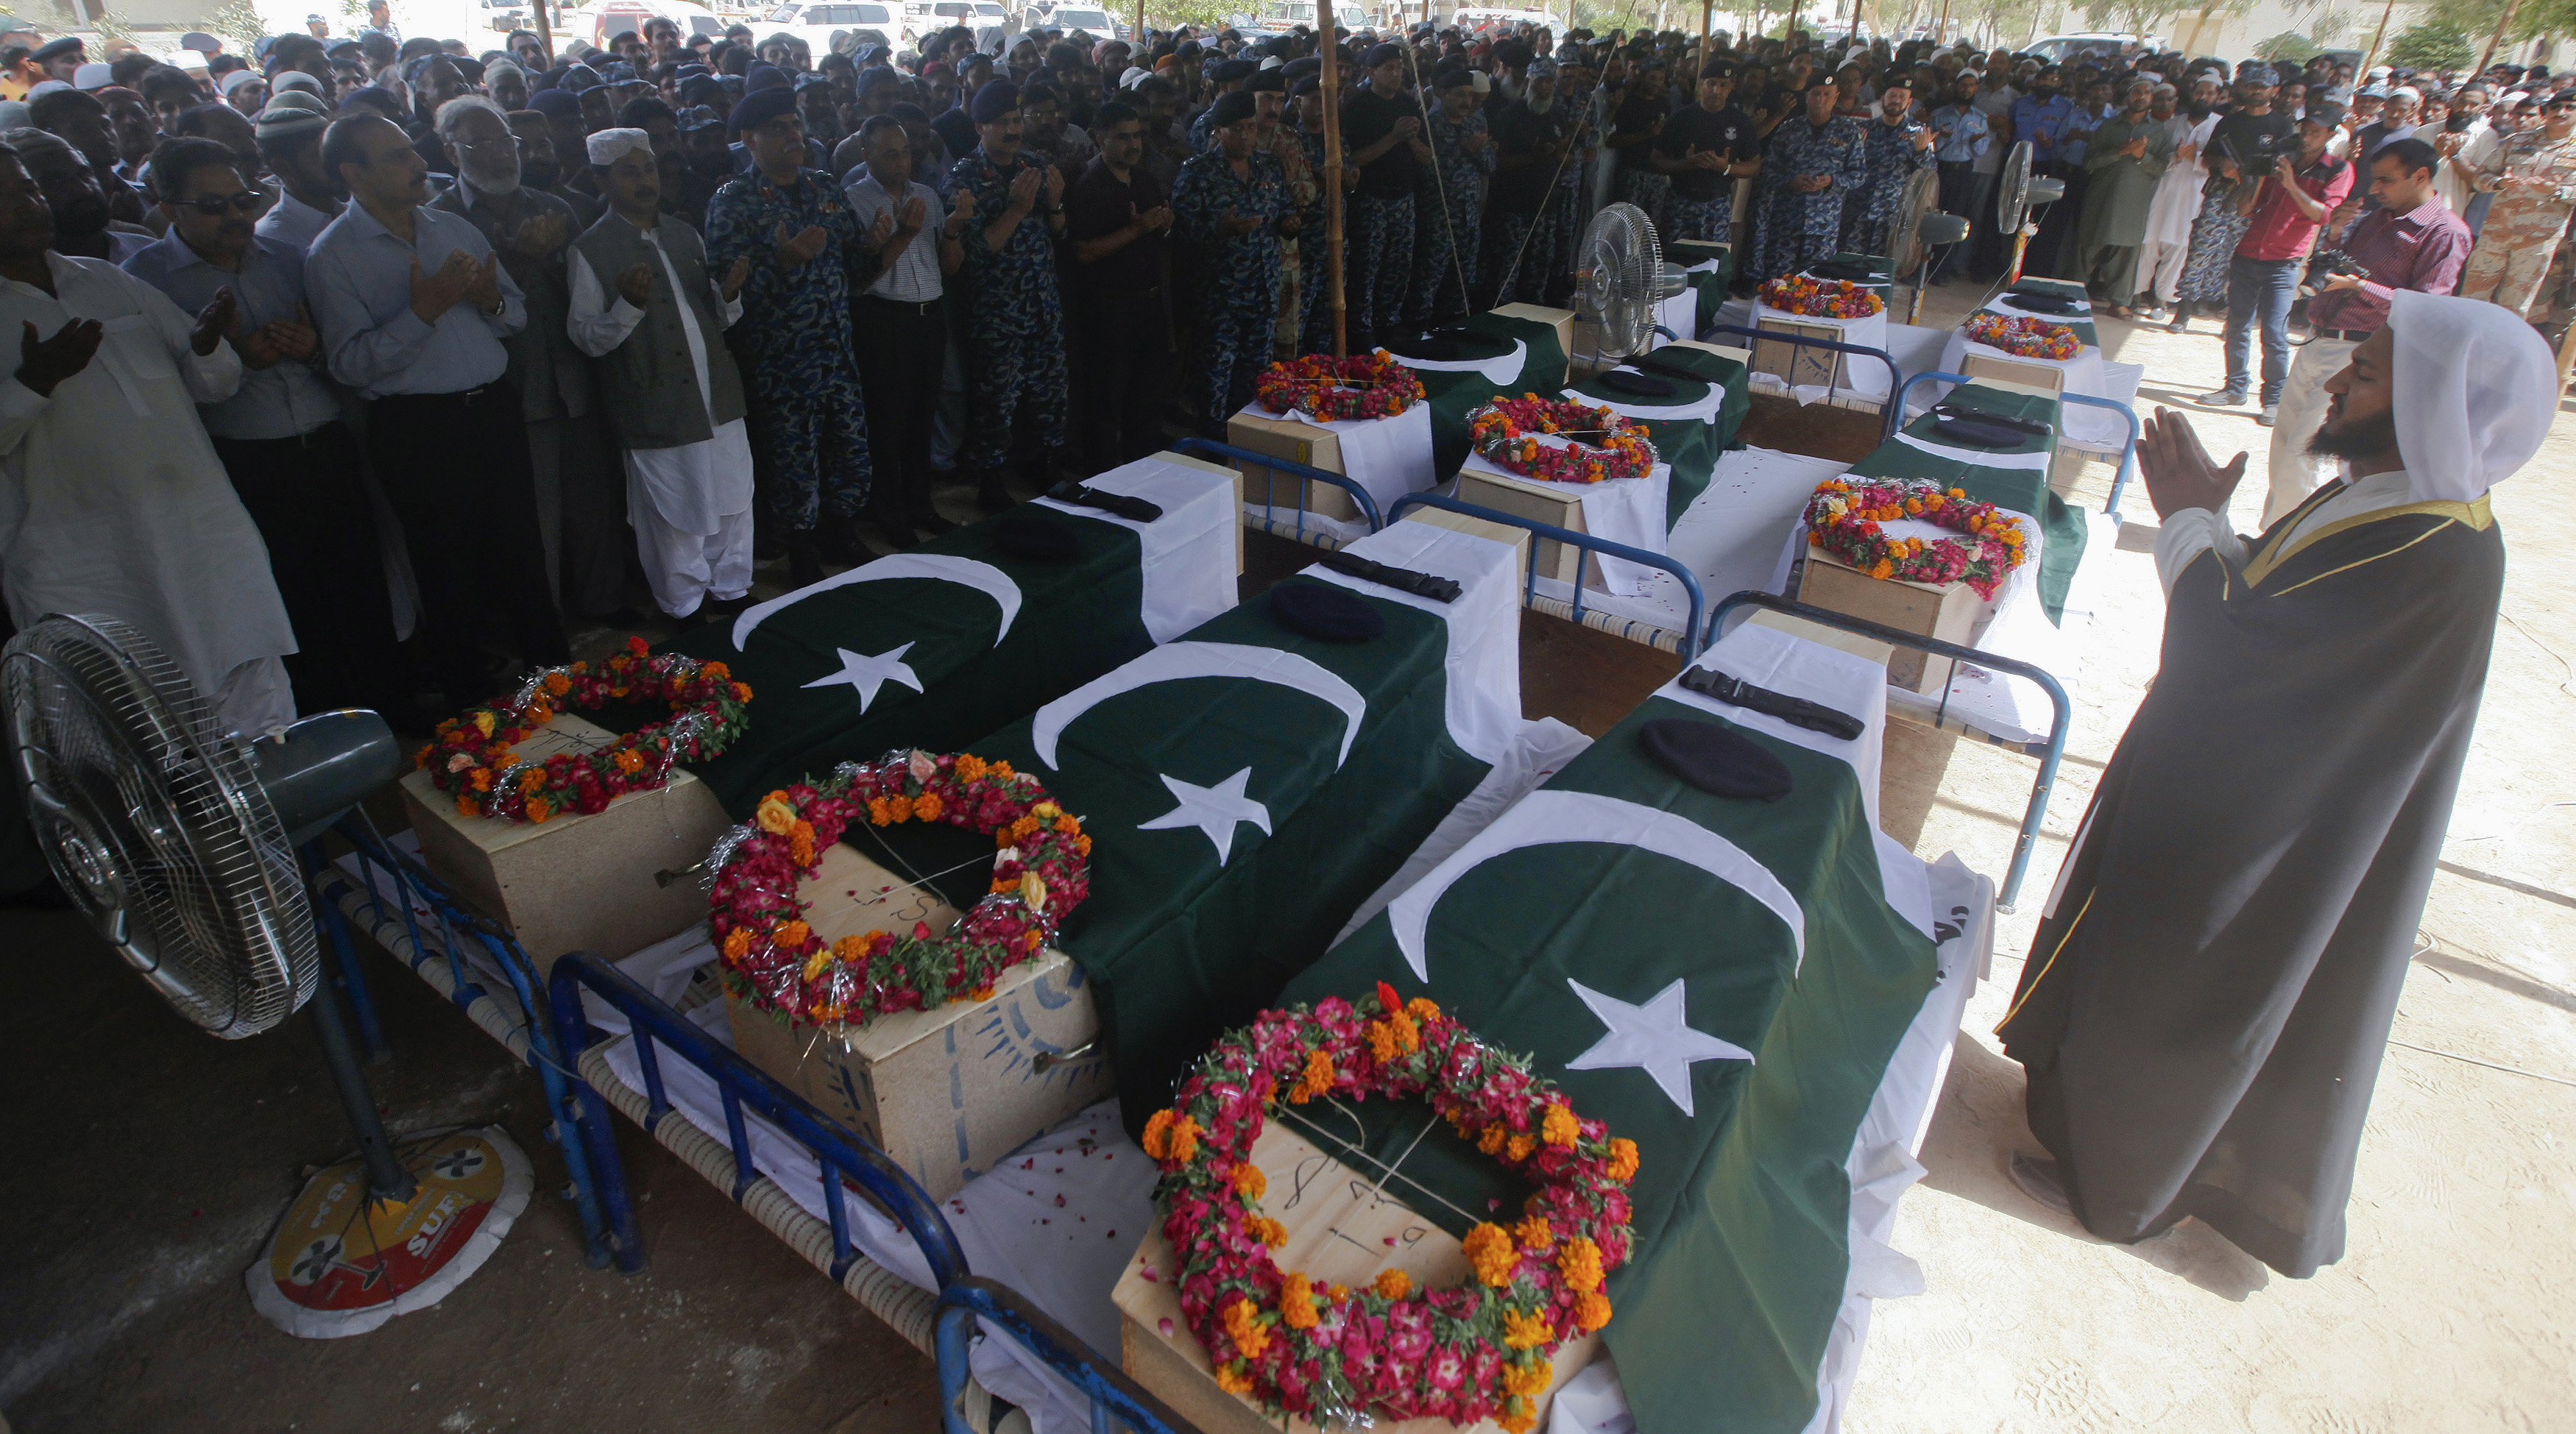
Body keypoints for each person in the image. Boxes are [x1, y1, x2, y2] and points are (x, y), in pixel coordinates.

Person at [1999, 292, 2551, 1282]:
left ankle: (2121, 1183)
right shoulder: (2392, 493)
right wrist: (2219, 538)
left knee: (2182, 986)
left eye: (2368, 372)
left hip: (2268, 825)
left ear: (2436, 407)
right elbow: (2267, 599)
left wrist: (2191, 521)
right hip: (2242, 784)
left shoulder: (2435, 554)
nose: (2336, 380)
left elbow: (2234, 650)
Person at [0, 137, 299, 734]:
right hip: (90, 563)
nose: (29, 206)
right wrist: (35, 382)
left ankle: (286, 824)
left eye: (28, 189)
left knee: (258, 712)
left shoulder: (108, 281)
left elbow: (211, 384)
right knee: (136, 729)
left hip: (199, 534)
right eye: (5, 198)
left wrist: (210, 343)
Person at [122, 135, 400, 714]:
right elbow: (153, 397)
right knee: (289, 596)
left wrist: (312, 349)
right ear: (168, 207)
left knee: (359, 582)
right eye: (213, 206)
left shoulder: (290, 258)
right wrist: (231, 359)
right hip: (246, 460)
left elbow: (340, 356)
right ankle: (320, 718)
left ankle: (388, 706)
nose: (236, 216)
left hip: (324, 444)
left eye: (244, 200)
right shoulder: (144, 282)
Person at [305, 113, 568, 706]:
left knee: (524, 554)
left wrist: (489, 298)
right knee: (447, 570)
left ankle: (559, 684)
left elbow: (516, 317)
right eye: (398, 157)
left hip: (492, 413)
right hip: (419, 429)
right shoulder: (333, 256)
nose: (419, 164)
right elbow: (348, 365)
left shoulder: (451, 228)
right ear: (354, 172)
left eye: (412, 152)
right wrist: (423, 311)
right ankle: (473, 708)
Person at [431, 96, 625, 623]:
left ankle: (604, 607)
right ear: (452, 152)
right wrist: (517, 258)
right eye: (483, 143)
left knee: (592, 503)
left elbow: (589, 294)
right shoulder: (441, 221)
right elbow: (462, 310)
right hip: (509, 390)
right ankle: (548, 620)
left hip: (574, 378)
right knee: (534, 516)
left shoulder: (556, 207)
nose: (501, 155)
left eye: (506, 142)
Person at [567, 129, 757, 621]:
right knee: (673, 511)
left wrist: (730, 294)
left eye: (648, 168)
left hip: (716, 392)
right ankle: (684, 603)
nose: (644, 181)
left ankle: (732, 589)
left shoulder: (682, 233)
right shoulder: (590, 248)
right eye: (629, 172)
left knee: (733, 493)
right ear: (600, 179)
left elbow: (715, 319)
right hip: (654, 401)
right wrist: (628, 305)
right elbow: (587, 337)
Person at [701, 84, 874, 581]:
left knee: (850, 449)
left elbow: (853, 270)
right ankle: (800, 548)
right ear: (749, 140)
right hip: (781, 359)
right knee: (793, 459)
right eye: (777, 129)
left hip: (837, 350)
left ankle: (841, 531)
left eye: (795, 125)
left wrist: (889, 241)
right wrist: (781, 262)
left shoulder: (825, 188)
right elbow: (723, 292)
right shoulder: (733, 202)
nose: (792, 135)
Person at [2265, 140, 2469, 525]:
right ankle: (2276, 535)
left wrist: (2360, 288)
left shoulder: (2444, 232)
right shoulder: (2378, 218)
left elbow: (2426, 309)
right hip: (2321, 339)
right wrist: (2337, 232)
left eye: (2386, 180)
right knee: (2285, 444)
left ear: (2421, 176)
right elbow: (2340, 264)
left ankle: (2287, 542)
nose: (2374, 189)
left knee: (2306, 457)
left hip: (2364, 355)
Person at [946, 78, 1071, 509]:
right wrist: (1017, 209)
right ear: (980, 127)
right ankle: (990, 477)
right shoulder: (964, 178)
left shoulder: (1033, 165)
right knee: (997, 400)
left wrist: (1054, 205)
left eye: (1017, 120)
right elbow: (974, 255)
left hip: (1042, 305)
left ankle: (1042, 462)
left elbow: (1061, 233)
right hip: (997, 311)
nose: (1014, 130)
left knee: (1049, 391)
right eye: (1002, 123)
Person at [843, 113, 964, 545]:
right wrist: (898, 235)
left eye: (906, 152)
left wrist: (952, 229)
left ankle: (921, 504)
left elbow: (950, 265)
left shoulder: (929, 196)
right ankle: (888, 511)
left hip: (929, 316)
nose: (901, 162)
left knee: (922, 416)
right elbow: (858, 279)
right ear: (866, 155)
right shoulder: (853, 200)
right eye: (889, 154)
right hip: (884, 318)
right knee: (887, 421)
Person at [2197, 104, 2350, 425]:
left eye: (2315, 133)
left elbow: (2323, 215)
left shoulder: (2338, 169)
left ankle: (2273, 400)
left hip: (2285, 261)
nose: (2306, 137)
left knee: (2274, 332)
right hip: (2248, 252)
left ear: (2331, 136)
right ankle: (2235, 389)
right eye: (2304, 130)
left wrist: (2291, 183)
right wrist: (2247, 178)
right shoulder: (2279, 159)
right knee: (2237, 325)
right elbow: (2243, 211)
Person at [1172, 89, 1293, 423]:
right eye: (1237, 128)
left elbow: (1284, 208)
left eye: (1251, 127)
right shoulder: (1198, 172)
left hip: (1262, 291)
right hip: (1219, 298)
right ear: (1218, 131)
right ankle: (1212, 445)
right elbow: (1180, 234)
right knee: (1214, 377)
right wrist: (1220, 231)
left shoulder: (1268, 166)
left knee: (1255, 378)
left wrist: (1290, 221)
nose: (1245, 135)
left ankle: (1249, 438)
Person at [1065, 100, 1172, 470]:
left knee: (1146, 397)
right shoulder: (1089, 187)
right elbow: (1084, 251)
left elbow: (1158, 229)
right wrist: (1136, 229)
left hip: (1149, 303)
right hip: (1109, 310)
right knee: (1106, 400)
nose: (1133, 144)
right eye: (1122, 137)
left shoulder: (1144, 179)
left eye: (1137, 135)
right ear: (1100, 140)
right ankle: (1102, 476)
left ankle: (1141, 469)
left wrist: (1163, 223)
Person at [2168, 71, 2292, 333]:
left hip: (2257, 197)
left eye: (2263, 87)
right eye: (2253, 86)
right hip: (2222, 192)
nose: (2257, 91)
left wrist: (2254, 174)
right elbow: (2208, 157)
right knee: (2202, 248)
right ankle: (2185, 309)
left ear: (2274, 91)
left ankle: (2230, 314)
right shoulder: (2230, 122)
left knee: (2242, 258)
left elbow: (2284, 165)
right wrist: (2223, 166)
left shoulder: (2282, 126)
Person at [2458, 90, 2576, 320]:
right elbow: (2480, 177)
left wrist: (2559, 191)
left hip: (2536, 241)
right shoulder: (2517, 140)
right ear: (2547, 112)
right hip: (2496, 233)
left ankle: (2498, 353)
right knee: (2471, 298)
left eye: (2570, 108)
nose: (2561, 112)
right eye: (2556, 107)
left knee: (2514, 307)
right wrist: (2500, 182)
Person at [1340, 43, 1429, 346]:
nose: (1395, 73)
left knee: (1399, 265)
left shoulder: (1407, 104)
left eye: (1399, 67)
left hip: (1403, 198)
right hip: (1371, 199)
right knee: (1367, 267)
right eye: (1388, 68)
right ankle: (1361, 328)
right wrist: (1393, 137)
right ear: (1371, 72)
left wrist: (1412, 139)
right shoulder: (1358, 107)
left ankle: (1389, 320)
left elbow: (1427, 157)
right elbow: (1354, 159)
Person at [2070, 79, 2170, 318]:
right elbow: (2090, 162)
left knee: (2126, 253)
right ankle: (2073, 297)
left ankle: (2119, 302)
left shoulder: (2158, 130)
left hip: (2134, 202)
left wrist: (2141, 156)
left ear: (2152, 99)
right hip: (2102, 198)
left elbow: (2161, 168)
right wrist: (2119, 152)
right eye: (2137, 92)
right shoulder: (2109, 125)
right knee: (2089, 247)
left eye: (2147, 93)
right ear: (2128, 96)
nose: (2142, 96)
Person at [1751, 75, 1863, 281]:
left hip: (1824, 225)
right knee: (1778, 283)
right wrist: (1789, 182)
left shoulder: (1848, 132)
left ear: (1836, 97)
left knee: (1817, 284)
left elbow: (1859, 175)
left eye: (1827, 95)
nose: (1821, 99)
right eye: (1816, 94)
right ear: (1806, 97)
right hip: (1786, 222)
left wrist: (1831, 181)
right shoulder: (1788, 129)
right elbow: (1768, 171)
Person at [1408, 67, 1490, 327]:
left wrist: (1478, 151)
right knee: (1428, 283)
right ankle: (1420, 335)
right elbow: (1426, 174)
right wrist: (1461, 150)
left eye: (1469, 95)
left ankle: (1456, 329)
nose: (1467, 102)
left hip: (1469, 218)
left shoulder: (1475, 122)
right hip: (1438, 218)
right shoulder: (1428, 126)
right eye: (1460, 95)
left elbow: (1490, 165)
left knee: (1463, 284)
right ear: (1442, 93)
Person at [2136, 79, 2216, 316]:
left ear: (2217, 97)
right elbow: (2157, 157)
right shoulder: (2171, 125)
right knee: (2149, 241)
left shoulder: (2220, 126)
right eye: (2199, 92)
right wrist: (2176, 157)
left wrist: (2196, 157)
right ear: (2190, 94)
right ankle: (2136, 294)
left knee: (2180, 245)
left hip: (2194, 194)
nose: (2203, 97)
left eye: (2209, 93)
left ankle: (2162, 300)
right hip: (2164, 191)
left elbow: (2222, 166)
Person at [1654, 60, 1755, 244]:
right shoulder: (1681, 118)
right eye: (1711, 84)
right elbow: (1657, 160)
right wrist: (1686, 164)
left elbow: (1754, 165)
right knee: (1674, 262)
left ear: (1731, 87)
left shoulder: (1741, 122)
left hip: (1718, 203)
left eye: (1723, 85)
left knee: (1713, 263)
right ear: (1702, 84)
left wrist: (1726, 167)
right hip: (1681, 201)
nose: (1716, 90)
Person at [1842, 75, 1932, 255]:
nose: (1896, 101)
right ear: (1883, 99)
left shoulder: (1920, 133)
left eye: (1902, 97)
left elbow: (1929, 175)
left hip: (1893, 213)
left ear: (1909, 102)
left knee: (1883, 267)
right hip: (1859, 210)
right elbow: (1847, 167)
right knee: (1850, 265)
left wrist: (1921, 151)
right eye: (1892, 96)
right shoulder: (1863, 129)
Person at [253, 92, 344, 249]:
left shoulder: (358, 213)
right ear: (283, 168)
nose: (338, 164)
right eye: (321, 155)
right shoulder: (272, 239)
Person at [1926, 71, 1990, 284]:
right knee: (1931, 216)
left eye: (1972, 85)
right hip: (1940, 169)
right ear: (1956, 87)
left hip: (1963, 171)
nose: (1967, 89)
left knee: (1955, 219)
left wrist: (1974, 141)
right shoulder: (1941, 115)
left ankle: (1942, 270)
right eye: (1963, 85)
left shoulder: (1980, 118)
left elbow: (1980, 150)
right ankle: (1922, 266)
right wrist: (1942, 139)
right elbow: (1929, 146)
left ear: (1976, 88)